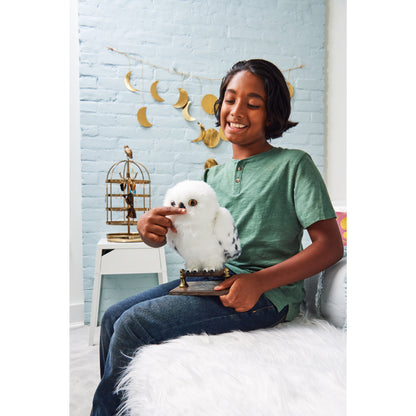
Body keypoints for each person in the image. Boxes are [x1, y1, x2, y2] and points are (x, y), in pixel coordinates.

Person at [90, 59, 343, 415]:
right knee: (112, 316)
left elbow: (330, 246)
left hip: (267, 295)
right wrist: (153, 233)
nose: (236, 110)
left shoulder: (294, 165)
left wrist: (258, 282)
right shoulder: (210, 179)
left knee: (133, 324)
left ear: (272, 114)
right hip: (211, 280)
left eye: (253, 103)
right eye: (230, 99)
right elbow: (194, 244)